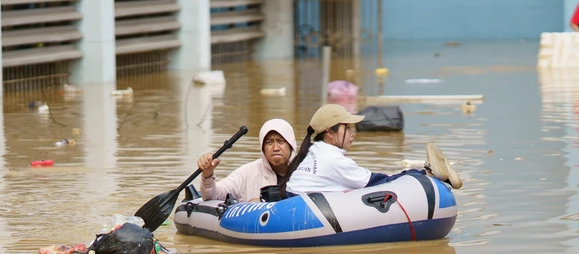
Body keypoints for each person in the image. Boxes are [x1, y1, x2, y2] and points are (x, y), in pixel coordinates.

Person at [284, 104, 462, 195]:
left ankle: (427, 171)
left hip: (292, 201)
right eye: (347, 128)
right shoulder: (333, 159)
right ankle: (428, 172)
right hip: (305, 210)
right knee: (389, 182)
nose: (352, 134)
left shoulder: (314, 151)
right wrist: (420, 174)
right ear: (330, 132)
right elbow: (380, 182)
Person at [197, 118, 297, 202]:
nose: (275, 148)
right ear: (262, 148)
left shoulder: (307, 172)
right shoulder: (248, 173)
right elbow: (212, 197)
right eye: (269, 142)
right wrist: (207, 175)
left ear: (291, 145)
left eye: (281, 141)